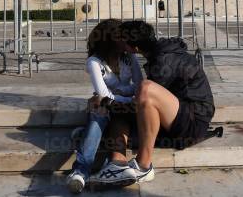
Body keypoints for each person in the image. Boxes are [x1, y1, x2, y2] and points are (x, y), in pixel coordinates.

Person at [90, 20, 215, 186]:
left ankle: (144, 166)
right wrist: (111, 104)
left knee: (146, 89)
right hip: (175, 116)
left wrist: (108, 101)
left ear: (133, 48)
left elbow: (143, 103)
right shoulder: (156, 52)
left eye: (123, 42)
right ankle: (117, 164)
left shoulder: (164, 60)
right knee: (119, 114)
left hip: (193, 121)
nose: (119, 45)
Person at [66, 19, 142, 194]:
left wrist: (122, 93)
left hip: (124, 109)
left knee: (99, 106)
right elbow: (104, 95)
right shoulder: (94, 62)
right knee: (100, 110)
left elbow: (140, 85)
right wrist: (127, 95)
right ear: (110, 40)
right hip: (109, 107)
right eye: (121, 38)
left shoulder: (129, 57)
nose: (126, 41)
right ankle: (80, 172)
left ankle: (102, 162)